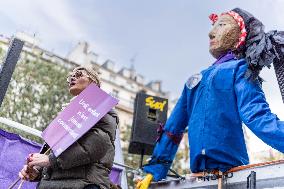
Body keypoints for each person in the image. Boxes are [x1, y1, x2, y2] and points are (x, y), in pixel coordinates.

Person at [136, 8, 284, 189]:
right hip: (198, 178)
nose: (211, 32)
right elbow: (172, 129)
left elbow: (258, 117)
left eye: (221, 25)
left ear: (240, 35)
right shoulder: (194, 80)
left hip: (233, 175)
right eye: (214, 25)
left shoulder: (240, 70)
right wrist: (153, 171)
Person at [19, 66, 119, 189]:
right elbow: (53, 152)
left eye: (78, 74)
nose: (72, 77)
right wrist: (36, 171)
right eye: (71, 76)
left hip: (85, 184)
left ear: (94, 82)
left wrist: (50, 160)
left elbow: (97, 143)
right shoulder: (66, 113)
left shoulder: (104, 109)